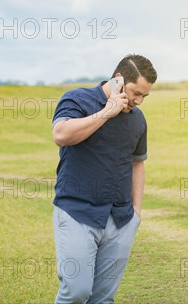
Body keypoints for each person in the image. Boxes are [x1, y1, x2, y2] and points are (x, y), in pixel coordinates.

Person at [51, 54, 157, 303]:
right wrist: (106, 113)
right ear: (119, 80)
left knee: (102, 299)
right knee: (76, 293)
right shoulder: (77, 99)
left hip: (120, 220)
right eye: (135, 93)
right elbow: (61, 134)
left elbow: (137, 163)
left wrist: (136, 213)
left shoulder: (137, 119)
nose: (139, 101)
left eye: (144, 96)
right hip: (78, 212)